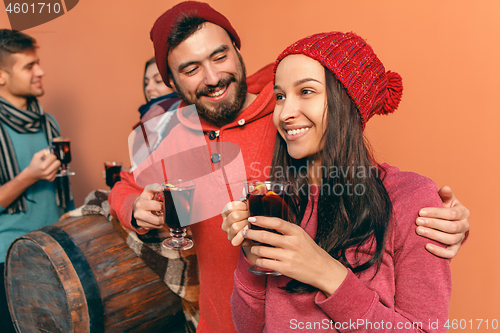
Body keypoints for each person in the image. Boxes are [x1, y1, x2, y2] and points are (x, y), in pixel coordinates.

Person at [109, 2, 469, 332]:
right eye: (190, 69)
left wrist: (438, 221)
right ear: (171, 83)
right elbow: (125, 185)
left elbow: (385, 204)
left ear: (237, 49)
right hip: (220, 321)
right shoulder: (170, 133)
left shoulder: (288, 132)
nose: (212, 76)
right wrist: (135, 208)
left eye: (219, 56)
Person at [223, 31, 452, 332]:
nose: (285, 113)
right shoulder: (276, 200)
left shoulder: (411, 198)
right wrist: (252, 258)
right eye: (280, 96)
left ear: (347, 101)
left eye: (306, 91)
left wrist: (328, 274)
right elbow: (248, 328)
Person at [0, 29, 72, 333]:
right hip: (7, 259)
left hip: (52, 252)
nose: (40, 71)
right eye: (28, 66)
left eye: (37, 63)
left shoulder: (49, 121)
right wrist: (29, 176)